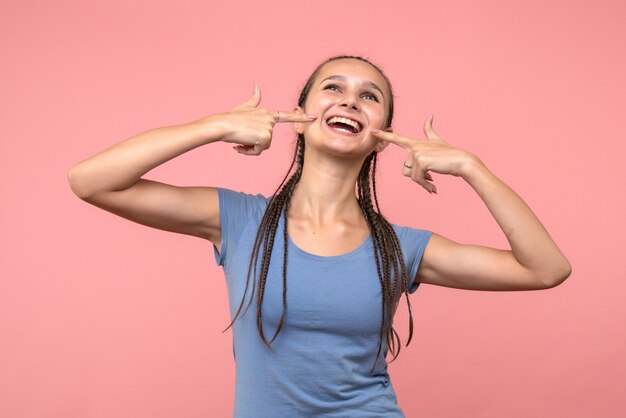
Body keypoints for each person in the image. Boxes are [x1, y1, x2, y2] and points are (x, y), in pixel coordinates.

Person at [67, 55, 571, 417]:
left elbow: (545, 269)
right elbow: (91, 181)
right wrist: (214, 125)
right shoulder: (239, 220)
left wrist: (472, 167)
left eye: (368, 97)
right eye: (334, 88)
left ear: (381, 139)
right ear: (301, 119)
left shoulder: (401, 248)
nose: (350, 100)